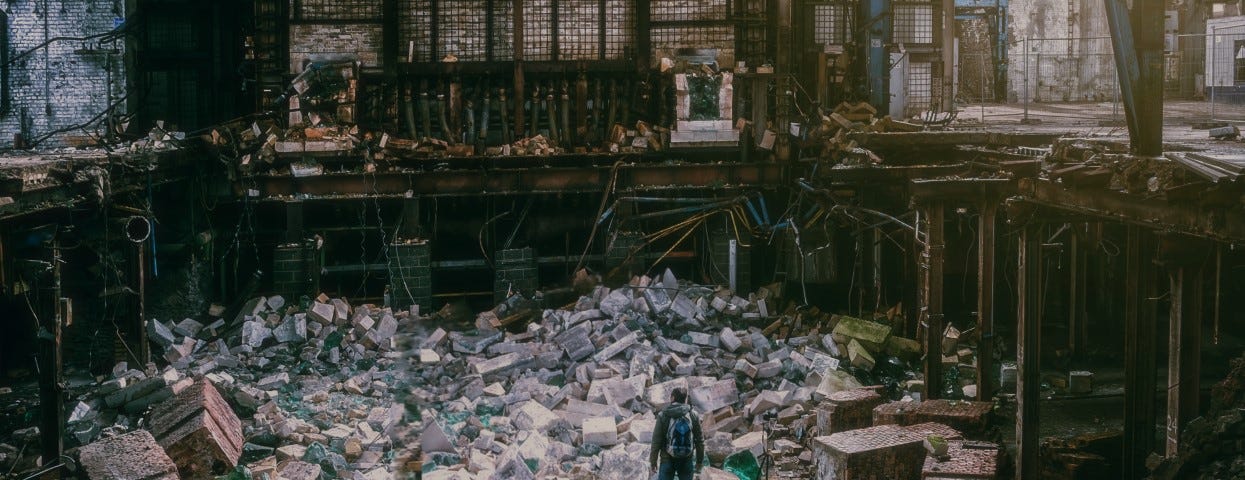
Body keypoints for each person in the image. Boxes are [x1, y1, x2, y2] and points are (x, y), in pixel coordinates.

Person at [650, 387, 705, 480]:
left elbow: (656, 441)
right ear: (685, 399)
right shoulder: (693, 415)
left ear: (672, 398)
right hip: (686, 458)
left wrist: (653, 461)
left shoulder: (663, 415)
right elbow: (700, 441)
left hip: (667, 458)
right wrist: (699, 462)